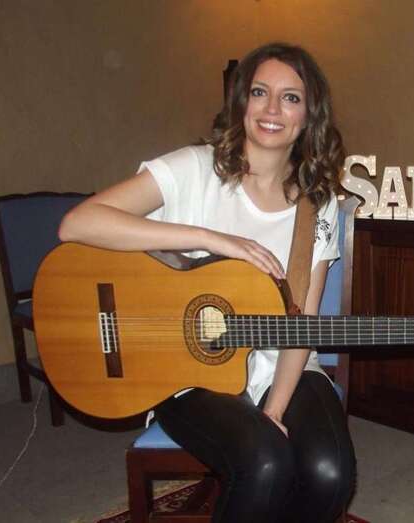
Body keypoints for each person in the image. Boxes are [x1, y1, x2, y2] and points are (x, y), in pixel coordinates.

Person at [59, 42, 356, 522]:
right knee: (264, 461)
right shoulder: (194, 169)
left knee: (330, 473)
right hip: (183, 373)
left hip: (281, 364)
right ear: (241, 102)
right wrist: (209, 238)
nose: (272, 109)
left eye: (291, 97)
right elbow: (78, 224)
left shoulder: (315, 207)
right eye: (260, 92)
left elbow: (301, 325)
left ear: (310, 116)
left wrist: (275, 411)